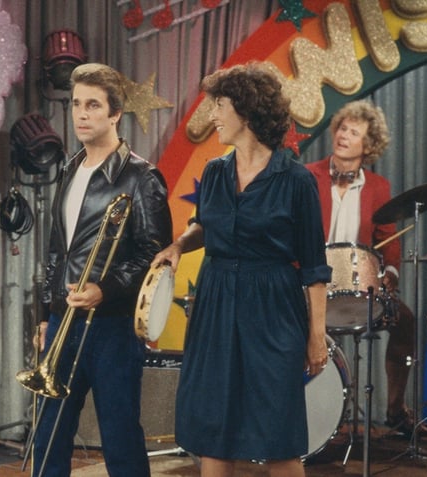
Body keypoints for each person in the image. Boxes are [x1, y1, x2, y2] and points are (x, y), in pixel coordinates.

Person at [151, 63, 330, 477]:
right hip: (216, 304)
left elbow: (315, 268)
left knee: (277, 435)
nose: (212, 114)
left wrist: (315, 337)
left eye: (219, 105)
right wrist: (179, 245)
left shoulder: (296, 180)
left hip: (273, 307)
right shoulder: (215, 172)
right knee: (215, 431)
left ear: (245, 111)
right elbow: (206, 225)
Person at [30, 62, 172, 477]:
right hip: (62, 321)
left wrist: (105, 289)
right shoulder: (69, 170)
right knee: (48, 436)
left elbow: (155, 254)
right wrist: (45, 316)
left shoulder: (142, 177)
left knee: (120, 439)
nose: (81, 114)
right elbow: (56, 250)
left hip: (111, 327)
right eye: (76, 104)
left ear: (115, 114)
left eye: (93, 105)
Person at [305, 100, 418, 435]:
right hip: (310, 283)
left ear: (367, 146)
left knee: (406, 321)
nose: (344, 135)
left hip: (356, 285)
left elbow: (389, 238)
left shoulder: (379, 187)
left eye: (354, 132)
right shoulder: (307, 176)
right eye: (342, 128)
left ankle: (396, 410)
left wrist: (390, 276)